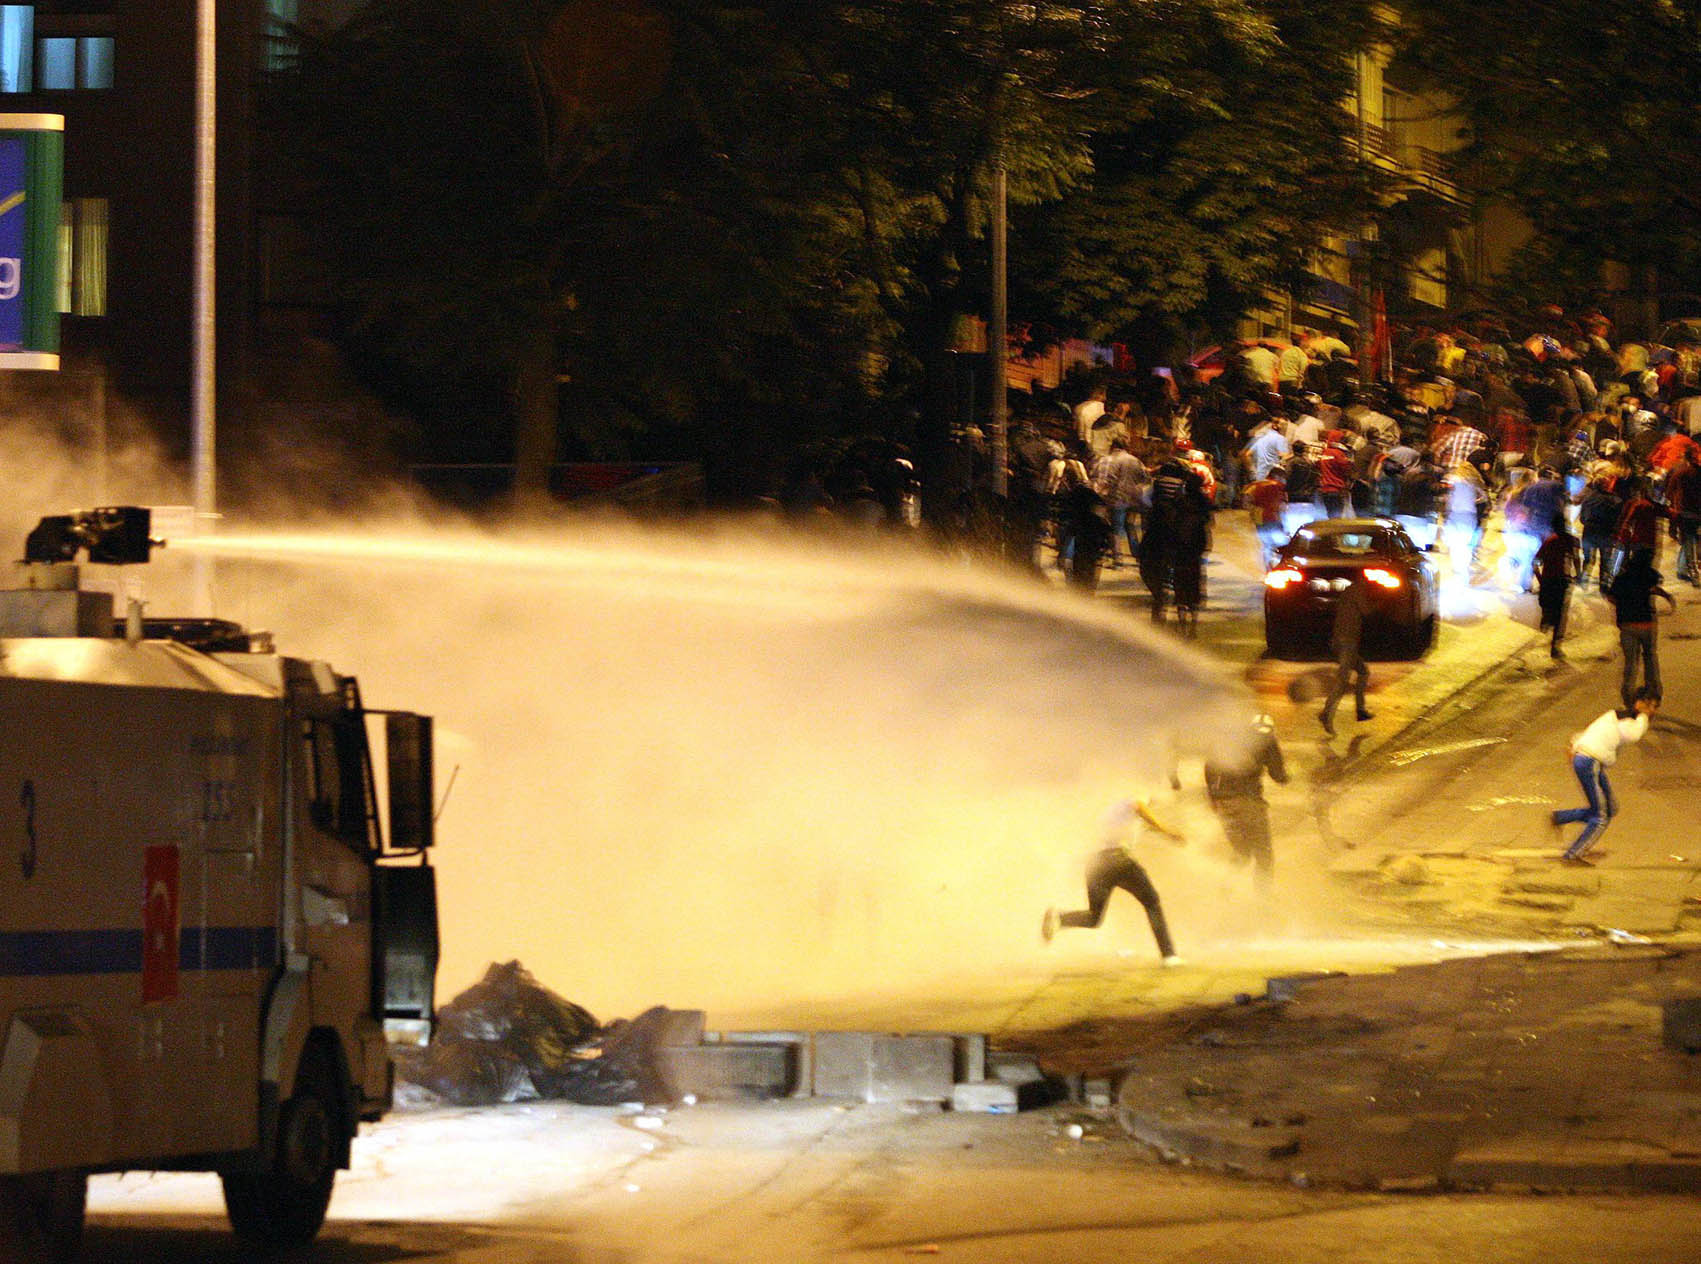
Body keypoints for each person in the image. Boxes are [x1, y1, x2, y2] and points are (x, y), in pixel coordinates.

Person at [1042, 798, 1185, 964]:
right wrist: (1168, 832)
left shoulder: (1110, 814)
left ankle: (1059, 918)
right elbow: (1139, 806)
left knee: (1094, 918)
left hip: (1096, 866)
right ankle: (1169, 955)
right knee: (1152, 901)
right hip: (1118, 861)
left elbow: (1139, 824)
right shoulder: (1132, 800)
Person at [1551, 691, 1659, 866]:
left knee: (1610, 808)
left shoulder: (1615, 715)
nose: (1653, 710)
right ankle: (1572, 855)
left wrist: (1575, 745)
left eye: (1655, 707)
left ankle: (1561, 818)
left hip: (1589, 762)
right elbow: (1635, 735)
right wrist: (1644, 717)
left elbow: (1587, 732)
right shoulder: (1625, 721)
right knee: (1601, 817)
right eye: (1649, 705)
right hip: (1589, 762)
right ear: (1638, 703)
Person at [1204, 714, 1289, 895]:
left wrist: (1213, 796)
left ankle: (1225, 890)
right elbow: (1278, 775)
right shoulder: (1268, 741)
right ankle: (1263, 898)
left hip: (1224, 803)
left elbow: (1210, 766)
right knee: (1264, 854)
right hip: (1249, 803)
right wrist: (1287, 777)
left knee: (1242, 852)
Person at [1605, 548, 1677, 709]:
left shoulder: (1622, 578)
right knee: (1650, 657)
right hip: (1646, 624)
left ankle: (1628, 696)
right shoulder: (1649, 575)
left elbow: (1610, 596)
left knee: (1630, 662)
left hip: (1627, 625)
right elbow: (1655, 588)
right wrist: (1668, 597)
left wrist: (1622, 605)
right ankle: (1654, 691)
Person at [1320, 574, 1373, 735]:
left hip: (1342, 641)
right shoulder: (1357, 591)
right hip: (1347, 643)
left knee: (1363, 672)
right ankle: (1326, 713)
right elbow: (1367, 611)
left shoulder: (1348, 591)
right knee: (1342, 681)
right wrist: (1381, 603)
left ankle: (1360, 710)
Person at [1091, 437, 1145, 569]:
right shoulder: (1135, 460)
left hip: (1117, 498)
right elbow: (1144, 477)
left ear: (1113, 446)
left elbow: (1106, 479)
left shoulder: (1109, 460)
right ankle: (1138, 556)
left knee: (1115, 529)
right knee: (1130, 526)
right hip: (1133, 498)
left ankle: (1118, 559)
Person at [1532, 513, 1580, 659]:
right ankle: (1555, 646)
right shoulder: (1571, 540)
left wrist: (1540, 578)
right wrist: (1577, 574)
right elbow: (1576, 558)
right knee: (1560, 614)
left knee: (1547, 604)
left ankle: (1546, 619)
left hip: (1548, 580)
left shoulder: (1549, 541)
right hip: (1561, 581)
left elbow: (1535, 562)